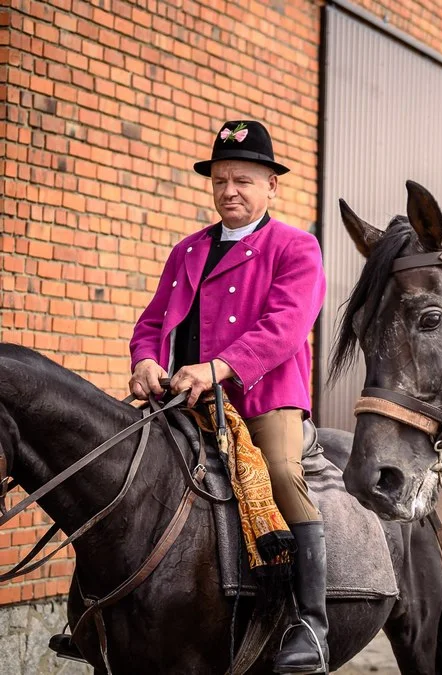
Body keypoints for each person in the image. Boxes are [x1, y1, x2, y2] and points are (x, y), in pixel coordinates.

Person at [127, 120, 330, 673]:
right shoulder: (188, 250)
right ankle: (107, 612)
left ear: (271, 186)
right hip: (184, 400)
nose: (229, 191)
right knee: (121, 473)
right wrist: (146, 359)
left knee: (283, 474)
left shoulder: (296, 247)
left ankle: (312, 623)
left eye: (242, 179)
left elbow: (285, 327)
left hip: (263, 400)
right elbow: (151, 323)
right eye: (219, 180)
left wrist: (218, 368)